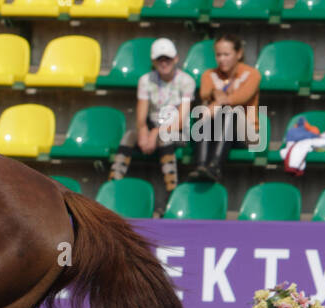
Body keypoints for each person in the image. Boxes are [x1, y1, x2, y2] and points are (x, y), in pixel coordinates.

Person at [109, 38, 194, 200]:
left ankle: (171, 193)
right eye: (159, 59)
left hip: (177, 129)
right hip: (154, 125)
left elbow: (181, 120)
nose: (164, 63)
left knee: (164, 139)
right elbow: (141, 114)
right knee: (129, 136)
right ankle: (113, 185)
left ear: (176, 59)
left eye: (167, 59)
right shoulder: (146, 80)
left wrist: (156, 132)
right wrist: (142, 131)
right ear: (153, 61)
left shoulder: (187, 81)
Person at [194, 33, 261, 182]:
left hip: (246, 133)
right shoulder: (209, 74)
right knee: (204, 110)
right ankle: (201, 165)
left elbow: (241, 97)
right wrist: (214, 92)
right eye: (218, 55)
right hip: (217, 130)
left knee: (230, 111)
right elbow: (204, 93)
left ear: (238, 54)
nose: (222, 59)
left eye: (226, 54)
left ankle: (215, 166)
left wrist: (218, 101)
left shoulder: (252, 74)